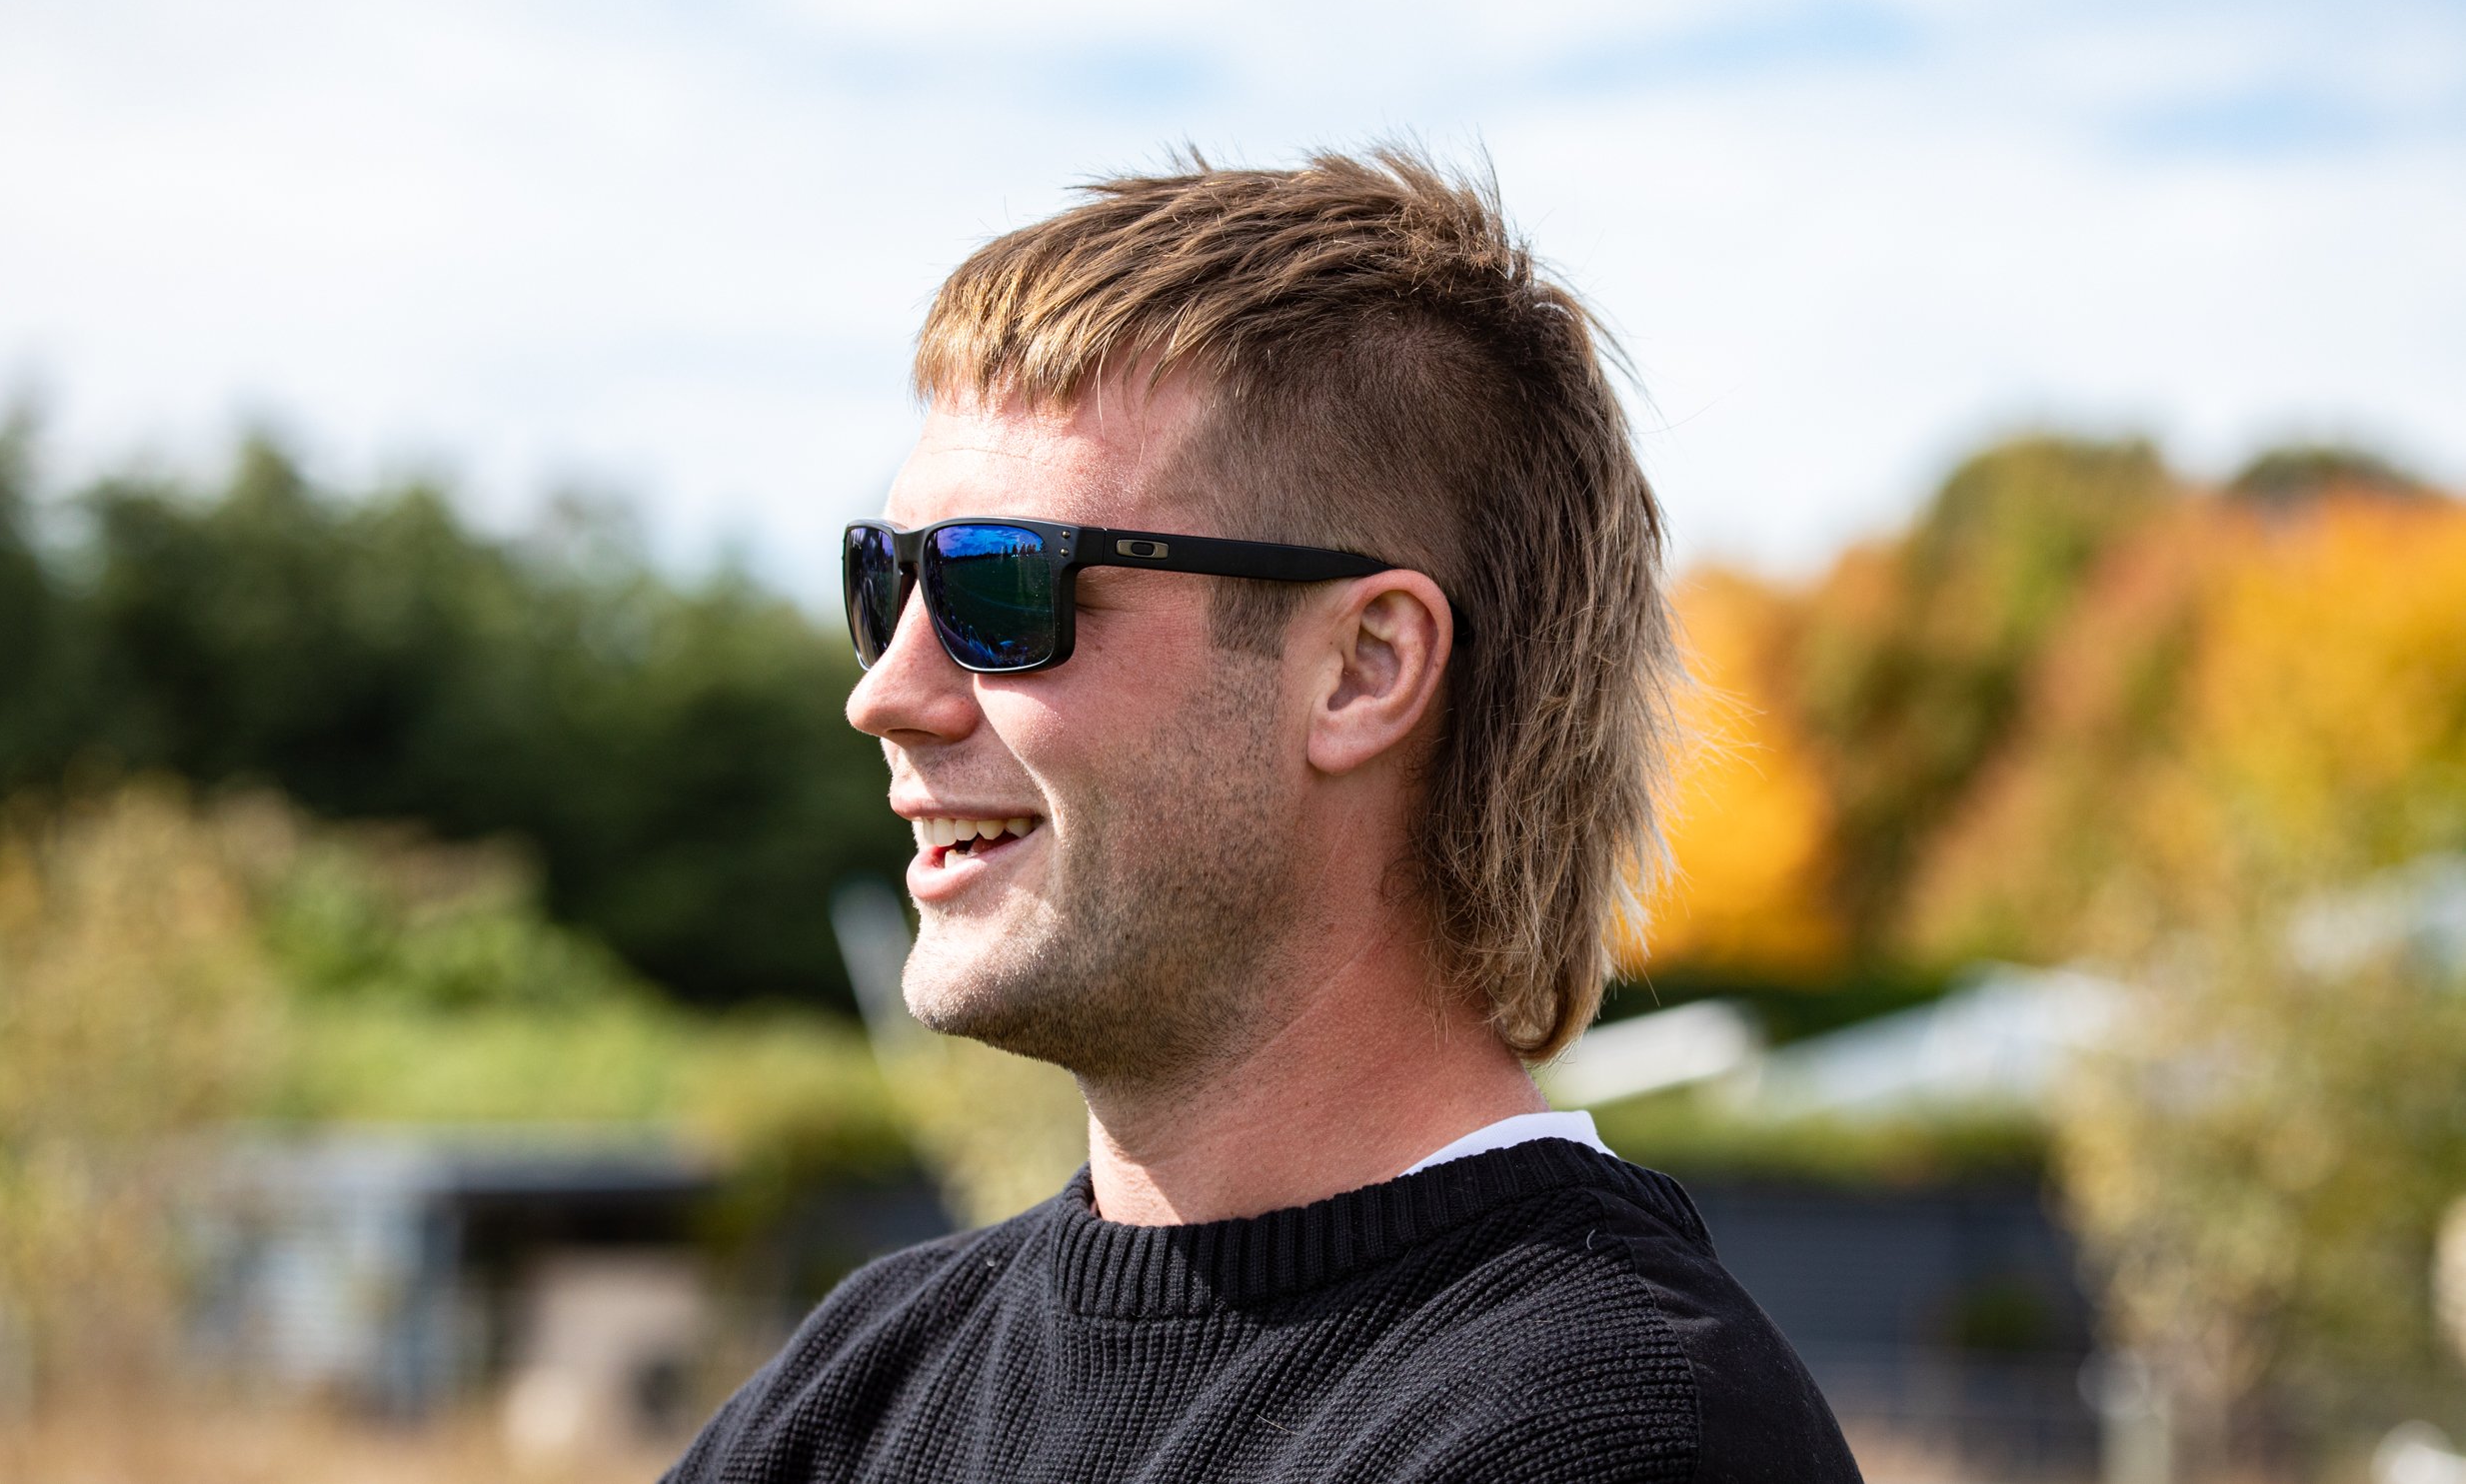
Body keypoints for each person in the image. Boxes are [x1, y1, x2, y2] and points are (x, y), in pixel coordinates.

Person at [665, 150, 1862, 1483]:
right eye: (885, 583)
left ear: (1363, 668)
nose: (886, 695)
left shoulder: (1610, 1438)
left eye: (1001, 592)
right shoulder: (859, 1388)